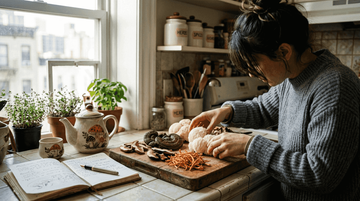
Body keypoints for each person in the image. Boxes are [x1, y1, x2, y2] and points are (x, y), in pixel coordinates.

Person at [189, 0, 360, 200]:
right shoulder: (292, 76)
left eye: (254, 63)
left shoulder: (335, 86)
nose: (252, 75)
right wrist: (227, 111)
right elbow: (263, 108)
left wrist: (249, 145)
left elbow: (319, 175)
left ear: (284, 52)